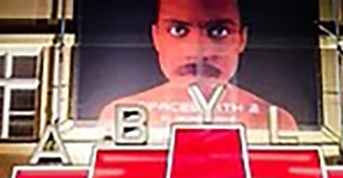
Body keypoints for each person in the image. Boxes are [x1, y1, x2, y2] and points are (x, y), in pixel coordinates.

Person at [98, 0, 298, 131]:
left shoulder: (275, 121)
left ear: (242, 39)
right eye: (178, 30)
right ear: (156, 37)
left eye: (219, 31)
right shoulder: (118, 115)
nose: (197, 52)